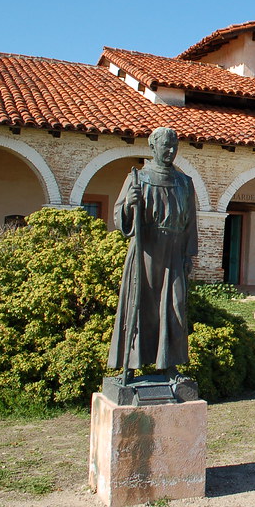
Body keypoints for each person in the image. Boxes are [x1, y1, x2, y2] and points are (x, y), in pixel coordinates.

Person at [107, 127, 197, 380]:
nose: (171, 151)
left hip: (174, 252)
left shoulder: (185, 183)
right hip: (146, 252)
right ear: (153, 147)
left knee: (174, 306)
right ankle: (129, 366)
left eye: (174, 146)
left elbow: (190, 223)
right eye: (166, 146)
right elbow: (121, 220)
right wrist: (129, 203)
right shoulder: (138, 178)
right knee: (139, 306)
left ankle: (169, 365)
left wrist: (188, 255)